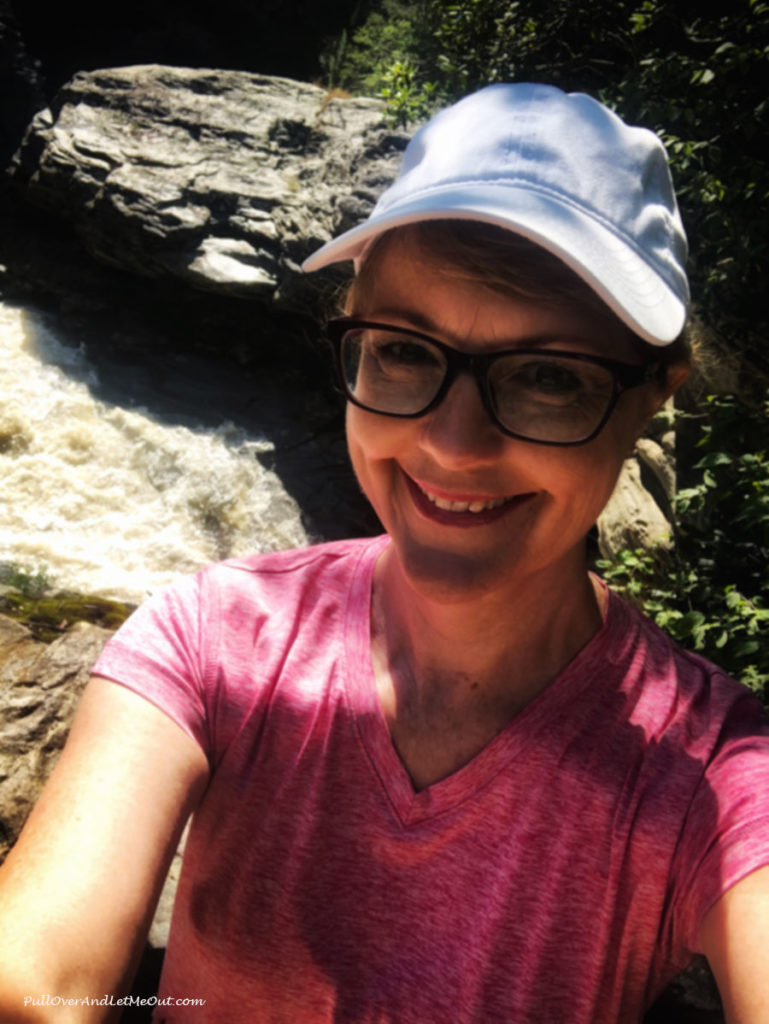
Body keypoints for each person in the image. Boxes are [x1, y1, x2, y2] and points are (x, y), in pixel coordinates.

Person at [1, 82, 768, 1023]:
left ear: (654, 396)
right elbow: (39, 978)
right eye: (403, 351)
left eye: (547, 378)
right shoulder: (212, 636)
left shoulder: (707, 765)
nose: (450, 445)